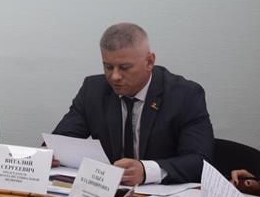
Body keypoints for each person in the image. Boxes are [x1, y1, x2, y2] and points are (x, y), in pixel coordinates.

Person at [52, 22, 214, 185]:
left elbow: (199, 161)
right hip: (108, 193)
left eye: (124, 67)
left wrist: (146, 171)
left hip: (162, 194)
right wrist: (49, 154)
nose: (115, 76)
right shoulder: (93, 90)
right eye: (108, 67)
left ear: (149, 62)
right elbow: (61, 140)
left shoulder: (185, 95)